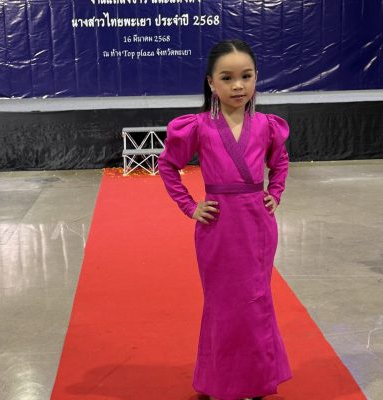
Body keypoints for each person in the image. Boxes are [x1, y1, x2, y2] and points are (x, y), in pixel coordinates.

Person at [157, 39, 292, 400]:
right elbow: (167, 165)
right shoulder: (197, 126)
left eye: (246, 76)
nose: (238, 86)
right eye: (227, 78)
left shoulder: (267, 125)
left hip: (258, 227)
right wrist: (190, 206)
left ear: (256, 78)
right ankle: (222, 382)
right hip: (217, 229)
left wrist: (275, 192)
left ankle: (256, 379)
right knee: (223, 307)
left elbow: (280, 162)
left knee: (256, 302)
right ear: (211, 83)